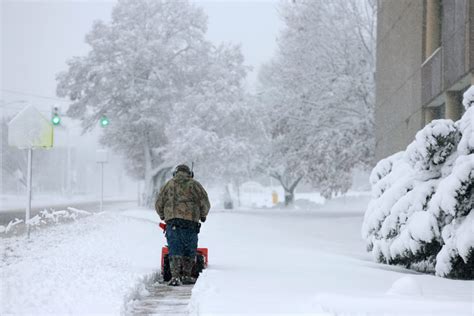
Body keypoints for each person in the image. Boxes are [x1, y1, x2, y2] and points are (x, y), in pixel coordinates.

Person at [155, 164, 210, 286]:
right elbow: (204, 202)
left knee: (174, 247)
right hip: (191, 223)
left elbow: (159, 202)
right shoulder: (195, 185)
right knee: (189, 248)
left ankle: (175, 277)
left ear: (175, 173)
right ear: (189, 174)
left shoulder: (168, 185)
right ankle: (186, 275)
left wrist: (163, 216)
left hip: (173, 222)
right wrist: (203, 215)